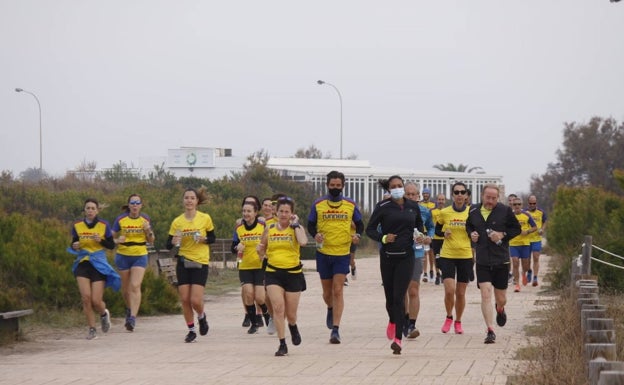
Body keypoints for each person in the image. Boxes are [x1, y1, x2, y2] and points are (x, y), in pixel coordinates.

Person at [365, 175, 424, 355]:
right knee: (390, 299)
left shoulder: (413, 207)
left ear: (404, 187)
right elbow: (370, 230)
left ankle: (398, 339)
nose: (398, 188)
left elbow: (419, 227)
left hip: (406, 257)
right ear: (389, 190)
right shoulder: (382, 207)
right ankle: (392, 320)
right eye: (394, 186)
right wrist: (383, 238)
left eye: (400, 185)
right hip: (388, 257)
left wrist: (420, 236)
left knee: (399, 297)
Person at [307, 170, 364, 344]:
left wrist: (358, 236)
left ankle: (336, 330)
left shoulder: (350, 204)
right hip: (323, 253)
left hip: (342, 253)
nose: (335, 188)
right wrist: (315, 235)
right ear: (327, 185)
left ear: (343, 186)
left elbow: (360, 225)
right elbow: (310, 224)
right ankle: (330, 308)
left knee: (338, 290)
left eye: (338, 186)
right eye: (332, 185)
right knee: (327, 292)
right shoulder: (318, 204)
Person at [466, 184, 521, 344]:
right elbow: (468, 226)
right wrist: (472, 234)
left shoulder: (505, 211)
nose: (490, 201)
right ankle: (490, 330)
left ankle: (500, 308)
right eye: (488, 197)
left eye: (494, 198)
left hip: (501, 260)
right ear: (482, 196)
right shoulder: (474, 210)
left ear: (498, 198)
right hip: (482, 260)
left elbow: (516, 229)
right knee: (485, 294)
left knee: (501, 297)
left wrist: (502, 235)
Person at [257, 197, 308, 356]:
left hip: (293, 274)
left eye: (287, 212)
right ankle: (282, 343)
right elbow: (262, 246)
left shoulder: (296, 228)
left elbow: (303, 242)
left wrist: (296, 224)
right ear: (276, 212)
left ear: (292, 213)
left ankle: (292, 326)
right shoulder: (269, 229)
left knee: (291, 314)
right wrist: (260, 252)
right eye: (281, 211)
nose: (284, 214)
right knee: (278, 308)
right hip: (273, 273)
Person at [166, 187, 216, 343]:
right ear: (183, 201)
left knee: (195, 300)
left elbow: (213, 238)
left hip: (200, 261)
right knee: (185, 299)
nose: (189, 200)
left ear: (197, 202)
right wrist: (173, 242)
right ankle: (191, 330)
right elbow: (168, 244)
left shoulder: (205, 218)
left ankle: (201, 316)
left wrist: (204, 239)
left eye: (192, 198)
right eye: (186, 198)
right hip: (183, 261)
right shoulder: (177, 221)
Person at [68, 198, 120, 340]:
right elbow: (74, 243)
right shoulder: (77, 225)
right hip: (83, 262)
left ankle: (103, 314)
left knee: (96, 301)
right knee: (86, 298)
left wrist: (101, 240)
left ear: (97, 210)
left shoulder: (104, 225)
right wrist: (75, 245)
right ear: (84, 210)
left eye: (92, 208)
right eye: (87, 208)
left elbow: (111, 245)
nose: (90, 211)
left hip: (98, 263)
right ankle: (92, 329)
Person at [112, 194, 155, 332]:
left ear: (141, 205)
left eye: (137, 203)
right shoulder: (120, 219)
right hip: (123, 255)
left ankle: (132, 318)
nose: (135, 205)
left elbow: (151, 240)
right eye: (132, 203)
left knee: (135, 286)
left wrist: (148, 230)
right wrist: (117, 240)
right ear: (129, 205)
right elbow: (109, 237)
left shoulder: (145, 219)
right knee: (125, 290)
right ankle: (129, 309)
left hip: (139, 255)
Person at [434, 182, 472, 335]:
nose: (459, 195)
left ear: (466, 195)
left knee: (461, 293)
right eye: (456, 192)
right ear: (452, 195)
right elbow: (437, 229)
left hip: (465, 255)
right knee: (450, 290)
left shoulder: (472, 212)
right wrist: (444, 234)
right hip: (448, 255)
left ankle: (458, 321)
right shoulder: (445, 212)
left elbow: (476, 230)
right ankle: (449, 316)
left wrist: (474, 236)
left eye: (462, 192)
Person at [232, 200, 269, 334]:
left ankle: (267, 316)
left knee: (259, 298)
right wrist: (237, 247)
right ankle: (254, 324)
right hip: (245, 266)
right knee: (248, 294)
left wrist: (264, 253)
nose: (246, 214)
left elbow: (268, 242)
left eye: (249, 211)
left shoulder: (262, 225)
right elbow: (233, 247)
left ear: (255, 213)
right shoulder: (239, 229)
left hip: (259, 265)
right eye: (244, 211)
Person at [403, 182, 433, 339]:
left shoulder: (424, 211)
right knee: (402, 291)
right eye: (408, 194)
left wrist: (429, 237)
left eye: (414, 194)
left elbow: (431, 227)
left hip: (417, 252)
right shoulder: (396, 210)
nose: (411, 197)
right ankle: (404, 319)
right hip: (400, 253)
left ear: (419, 196)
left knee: (413, 289)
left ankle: (412, 325)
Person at [509, 197, 537, 292]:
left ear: (522, 205)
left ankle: (524, 273)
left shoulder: (526, 215)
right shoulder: (509, 215)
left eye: (519, 204)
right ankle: (517, 284)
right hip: (513, 243)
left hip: (525, 243)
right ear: (512, 205)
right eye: (515, 204)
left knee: (525, 265)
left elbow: (535, 227)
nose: (517, 206)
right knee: (515, 262)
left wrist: (527, 231)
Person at [526, 195, 548, 287]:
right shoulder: (525, 213)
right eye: (530, 203)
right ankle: (529, 271)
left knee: (536, 257)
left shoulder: (541, 212)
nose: (532, 205)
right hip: (526, 239)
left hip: (536, 239)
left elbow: (545, 221)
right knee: (526, 260)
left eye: (534, 203)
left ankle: (535, 277)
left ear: (536, 203)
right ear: (528, 203)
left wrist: (542, 229)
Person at [430, 193, 447, 285]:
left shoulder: (448, 211)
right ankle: (437, 274)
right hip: (435, 238)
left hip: (445, 238)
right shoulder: (432, 211)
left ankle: (444, 274)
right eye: (439, 199)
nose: (441, 201)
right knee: (436, 256)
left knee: (445, 257)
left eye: (442, 199)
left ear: (445, 201)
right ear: (436, 200)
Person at [420, 187, 436, 282]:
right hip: (423, 231)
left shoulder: (434, 204)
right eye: (424, 193)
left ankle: (431, 271)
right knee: (424, 252)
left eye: (427, 193)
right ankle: (425, 272)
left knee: (431, 252)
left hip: (431, 230)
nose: (425, 195)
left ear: (429, 194)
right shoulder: (420, 204)